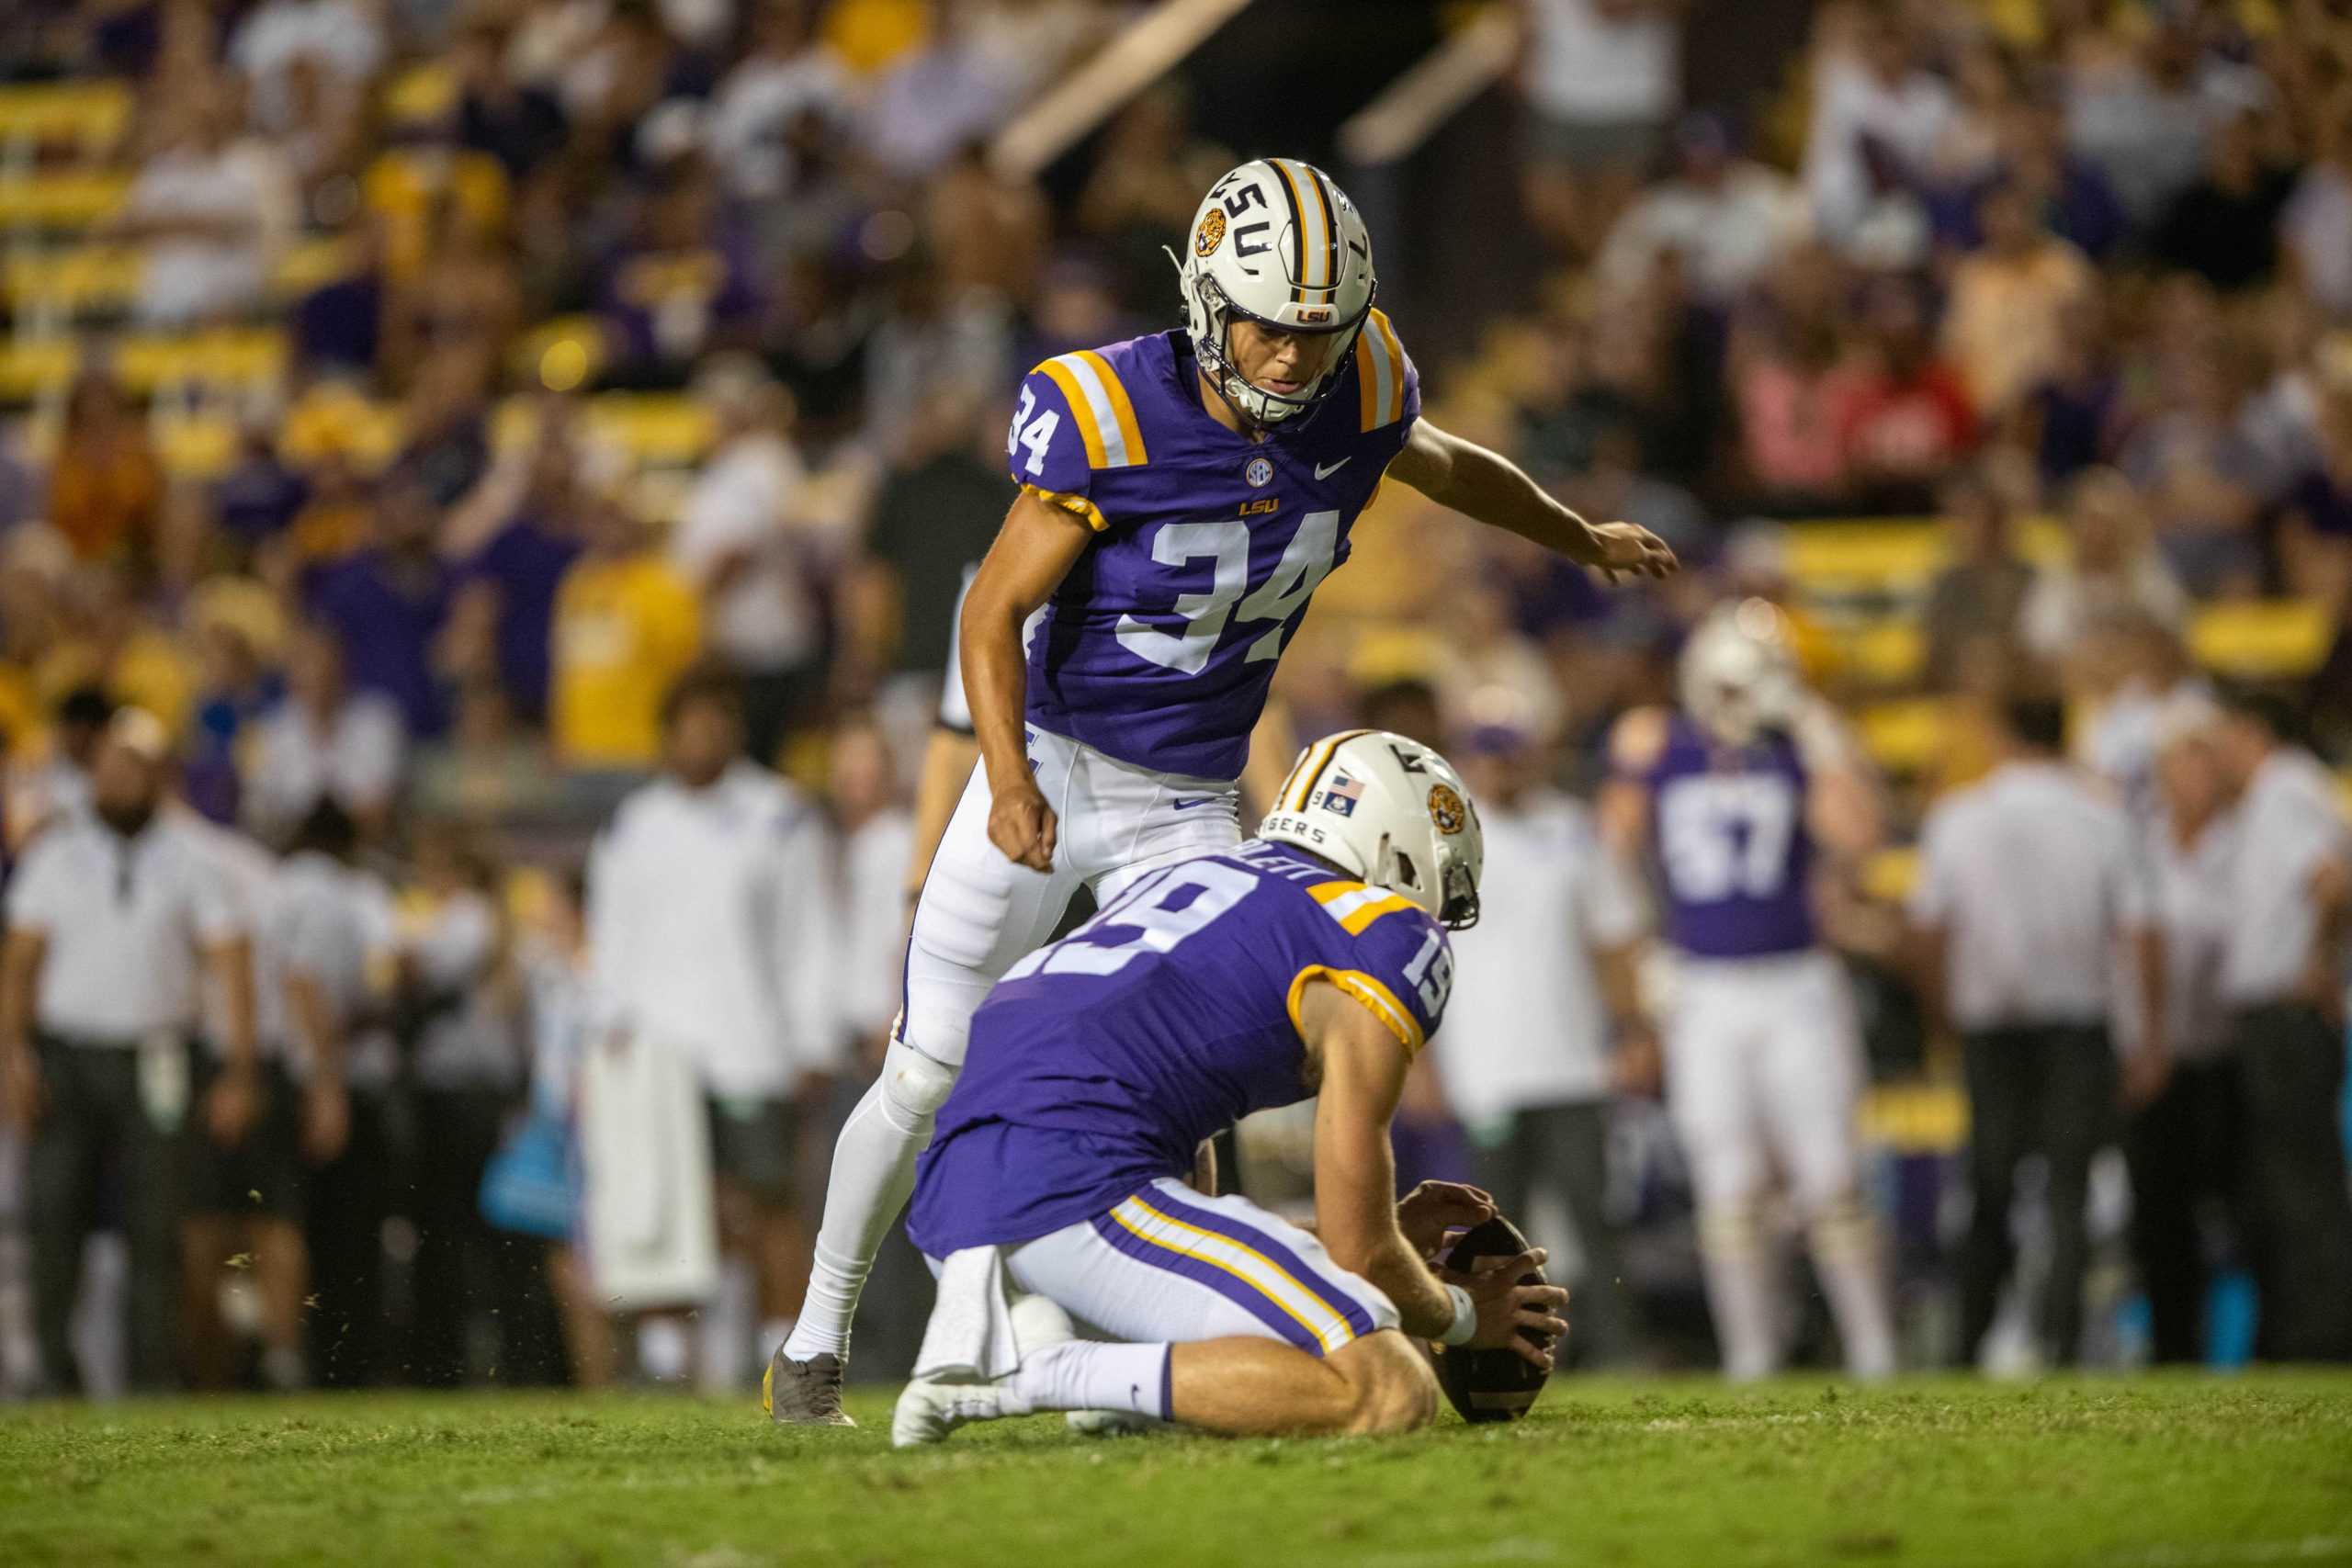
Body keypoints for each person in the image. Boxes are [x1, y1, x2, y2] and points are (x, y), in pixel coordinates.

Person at [770, 158, 1676, 1419]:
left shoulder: (1358, 385)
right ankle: (815, 1334)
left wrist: (1575, 533)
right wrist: (1011, 775)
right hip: (1051, 753)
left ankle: (1146, 1361)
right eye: (1267, 325)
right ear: (1204, 296)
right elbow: (990, 609)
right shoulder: (1108, 406)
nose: (1295, 358)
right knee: (928, 1066)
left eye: (1317, 330)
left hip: (1187, 792)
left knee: (1190, 1076)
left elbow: (1447, 460)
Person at [889, 730, 1564, 1445]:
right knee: (1386, 1384)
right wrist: (1463, 1314)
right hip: (1071, 1178)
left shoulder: (1206, 884)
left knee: (1267, 1350)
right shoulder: (1382, 930)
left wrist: (1380, 1233)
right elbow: (1361, 1254)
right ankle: (1038, 1374)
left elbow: (1192, 1221)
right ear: (1396, 846)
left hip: (954, 1194)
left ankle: (1058, 1342)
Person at [1602, 602, 1897, 1381]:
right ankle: (1751, 1357)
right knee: (1727, 1185)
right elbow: (1615, 840)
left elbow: (1859, 835)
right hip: (1703, 989)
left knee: (1832, 1178)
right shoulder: (1661, 744)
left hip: (1797, 980)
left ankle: (1875, 1351)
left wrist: (1817, 733)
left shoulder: (1798, 744)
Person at [591, 668, 839, 1385]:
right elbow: (611, 936)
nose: (700, 736)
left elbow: (806, 932)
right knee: (667, 1207)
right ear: (665, 736)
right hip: (656, 1051)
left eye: (714, 720)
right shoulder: (632, 823)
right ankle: (668, 1367)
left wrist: (810, 1036)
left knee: (766, 1205)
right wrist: (609, 1024)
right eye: (686, 723)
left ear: (733, 727)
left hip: (750, 1044)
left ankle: (784, 1356)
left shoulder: (779, 813)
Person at [0, 710, 257, 1393]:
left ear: (158, 776)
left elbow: (231, 963)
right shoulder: (56, 855)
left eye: (133, 767)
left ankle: (154, 1380)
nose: (118, 780)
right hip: (67, 1055)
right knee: (55, 1214)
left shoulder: (195, 859)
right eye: (109, 766)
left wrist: (239, 1068)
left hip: (160, 1055)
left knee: (159, 1220)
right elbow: (19, 965)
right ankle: (54, 1378)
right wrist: (11, 1058)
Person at [1910, 694, 2161, 1370]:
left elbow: (1930, 930)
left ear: (2001, 733)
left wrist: (1941, 1017)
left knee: (1988, 1189)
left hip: (1991, 1027)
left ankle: (1968, 1343)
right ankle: (2061, 1342)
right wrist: (2148, 1035)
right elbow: (2138, 932)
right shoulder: (2102, 816)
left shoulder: (1959, 817)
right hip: (2077, 1024)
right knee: (2068, 1190)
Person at [1439, 715, 1648, 1368]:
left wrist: (1636, 1027)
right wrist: (1416, 1060)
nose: (1501, 769)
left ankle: (1616, 1349)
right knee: (1497, 1231)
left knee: (1595, 1216)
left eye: (1509, 755)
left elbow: (1614, 938)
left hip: (1573, 1062)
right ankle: (1504, 1356)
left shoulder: (1572, 829)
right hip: (1486, 1066)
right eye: (1489, 756)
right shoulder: (1440, 838)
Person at [2207, 690, 2352, 1362]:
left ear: (2251, 728)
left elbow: (2332, 879)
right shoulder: (2267, 798)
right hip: (2270, 1014)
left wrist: (2318, 966)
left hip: (2290, 1014)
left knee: (2303, 1178)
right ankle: (2293, 1329)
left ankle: (2323, 1334)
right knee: (2279, 1180)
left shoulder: (2288, 784)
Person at [2124, 700, 2242, 1364]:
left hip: (2232, 1050)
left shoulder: (2242, 839)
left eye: (2201, 763)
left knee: (2244, 1204)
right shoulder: (2141, 843)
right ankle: (2172, 1348)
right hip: (2160, 1058)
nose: (2190, 779)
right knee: (2160, 1213)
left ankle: (2272, 1344)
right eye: (2178, 765)